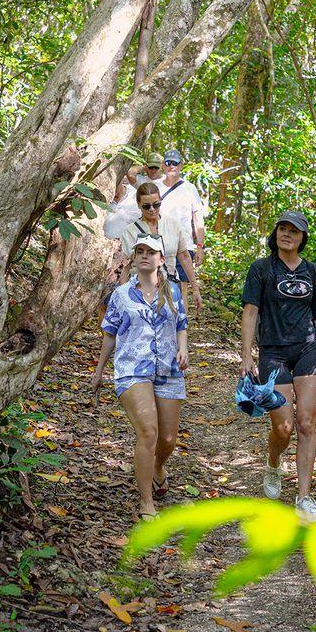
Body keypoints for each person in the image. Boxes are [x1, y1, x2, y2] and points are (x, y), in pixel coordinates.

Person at [240, 211, 316, 520]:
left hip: (309, 351)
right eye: (282, 228)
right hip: (274, 352)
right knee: (283, 428)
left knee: (307, 423)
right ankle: (273, 463)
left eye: (294, 231)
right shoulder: (261, 269)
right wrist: (247, 354)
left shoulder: (312, 272)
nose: (287, 234)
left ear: (302, 238)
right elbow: (250, 312)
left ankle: (304, 499)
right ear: (276, 233)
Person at [91, 234, 188, 519]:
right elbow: (109, 334)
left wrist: (183, 349)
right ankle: (147, 502)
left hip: (169, 369)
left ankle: (158, 467)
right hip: (132, 370)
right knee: (148, 431)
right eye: (140, 251)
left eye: (151, 252)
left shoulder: (172, 291)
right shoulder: (121, 295)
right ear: (134, 258)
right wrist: (99, 371)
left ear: (160, 259)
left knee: (168, 439)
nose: (145, 255)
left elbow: (181, 324)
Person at [119, 182, 203, 312]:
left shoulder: (173, 224)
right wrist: (123, 297)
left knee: (175, 328)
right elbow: (125, 267)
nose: (152, 209)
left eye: (156, 204)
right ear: (139, 205)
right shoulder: (130, 231)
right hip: (140, 291)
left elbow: (185, 257)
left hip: (169, 287)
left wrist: (195, 289)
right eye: (147, 206)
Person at [157, 149, 205, 311]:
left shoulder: (190, 189)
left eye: (175, 163)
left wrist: (200, 246)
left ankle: (180, 326)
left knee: (181, 286)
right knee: (158, 285)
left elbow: (198, 219)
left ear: (181, 166)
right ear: (163, 165)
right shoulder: (155, 187)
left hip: (183, 246)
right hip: (159, 244)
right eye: (168, 163)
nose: (172, 167)